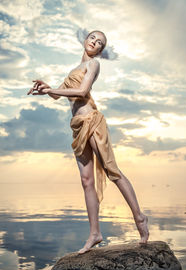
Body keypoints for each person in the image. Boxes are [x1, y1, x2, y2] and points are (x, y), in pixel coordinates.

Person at [27, 29, 149, 254]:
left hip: (92, 121)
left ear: (101, 50)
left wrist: (53, 89)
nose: (95, 42)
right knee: (86, 181)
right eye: (93, 37)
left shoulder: (93, 65)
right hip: (78, 125)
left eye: (100, 42)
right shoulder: (75, 68)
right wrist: (46, 88)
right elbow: (60, 94)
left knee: (112, 171)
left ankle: (140, 219)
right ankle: (95, 233)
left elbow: (82, 92)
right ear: (85, 40)